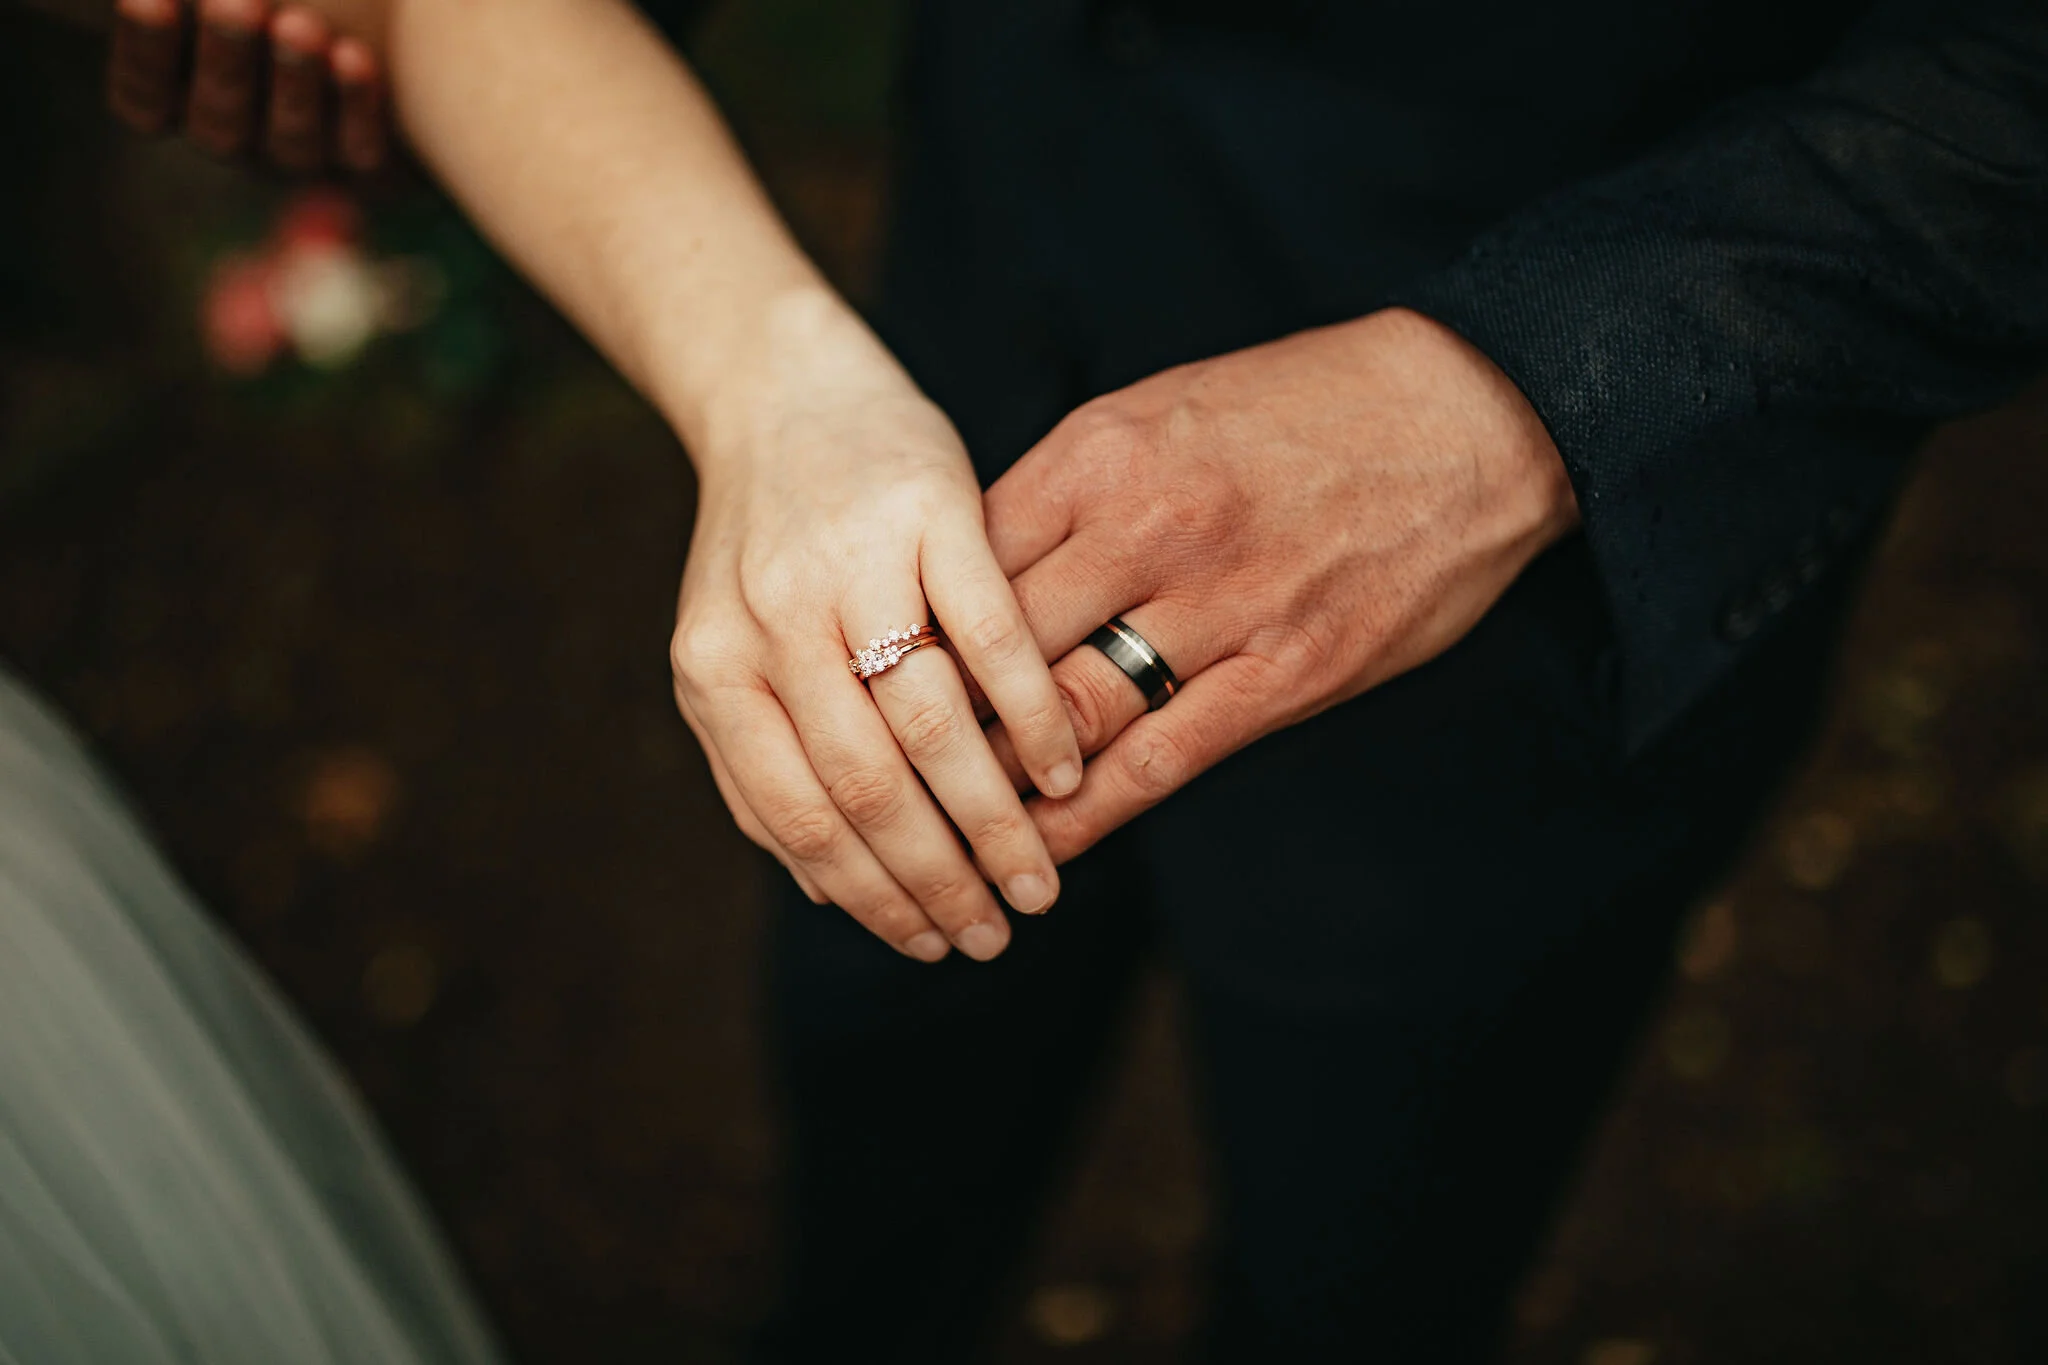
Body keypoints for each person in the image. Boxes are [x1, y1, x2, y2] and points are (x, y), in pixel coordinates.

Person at [103, 0, 2048, 1361]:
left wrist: (1527, 400)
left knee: (1367, 1244)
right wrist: (766, 364)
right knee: (877, 1088)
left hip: (1529, 639)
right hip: (962, 347)